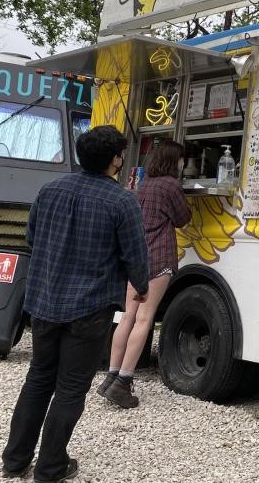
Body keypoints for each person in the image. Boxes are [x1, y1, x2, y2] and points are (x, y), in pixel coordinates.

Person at [1, 125, 149, 483]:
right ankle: (51, 467)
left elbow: (32, 237)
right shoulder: (121, 200)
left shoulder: (50, 189)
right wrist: (141, 288)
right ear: (116, 159)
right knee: (70, 387)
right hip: (90, 306)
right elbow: (135, 255)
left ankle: (15, 459)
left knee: (38, 378)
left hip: (45, 299)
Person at [99, 140, 191, 409]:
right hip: (160, 256)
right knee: (144, 318)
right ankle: (124, 382)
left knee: (128, 316)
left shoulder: (144, 183)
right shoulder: (171, 185)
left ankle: (111, 375)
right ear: (175, 161)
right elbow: (182, 217)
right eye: (182, 160)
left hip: (136, 257)